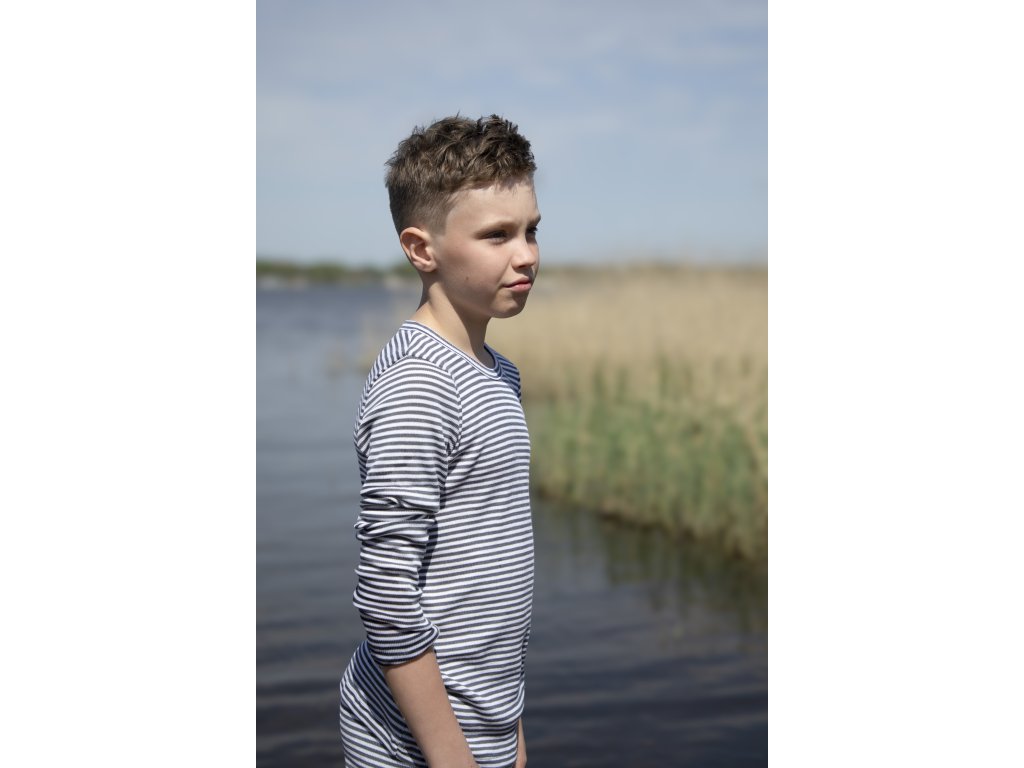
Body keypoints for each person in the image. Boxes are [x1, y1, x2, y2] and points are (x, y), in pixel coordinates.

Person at [338, 115, 541, 768]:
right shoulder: (419, 385)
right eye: (497, 235)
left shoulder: (497, 373)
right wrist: (451, 755)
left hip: (485, 723)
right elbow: (386, 593)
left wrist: (509, 730)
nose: (527, 254)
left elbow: (492, 573)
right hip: (415, 743)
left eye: (532, 230)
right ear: (421, 249)